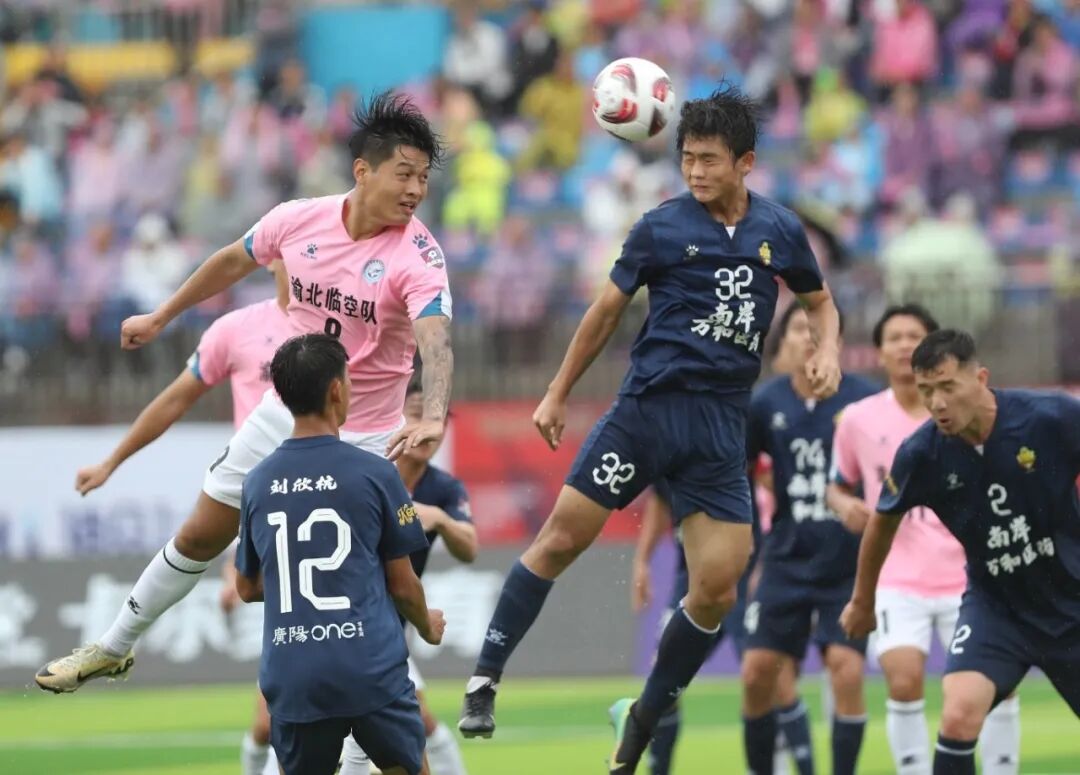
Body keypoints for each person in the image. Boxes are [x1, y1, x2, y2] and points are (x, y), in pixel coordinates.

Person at [457, 83, 842, 775]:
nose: (695, 171)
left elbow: (820, 301)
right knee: (560, 538)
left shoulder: (780, 231)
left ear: (746, 163)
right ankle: (484, 678)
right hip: (647, 411)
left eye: (709, 159)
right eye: (687, 157)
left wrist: (829, 348)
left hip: (721, 425)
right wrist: (556, 392)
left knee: (718, 587)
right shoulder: (661, 227)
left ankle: (644, 713)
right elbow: (604, 312)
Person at [35, 92, 454, 694]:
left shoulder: (419, 256)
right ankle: (113, 647)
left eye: (423, 178)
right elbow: (232, 261)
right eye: (404, 173)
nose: (416, 190)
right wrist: (161, 316)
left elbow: (435, 338)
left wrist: (434, 413)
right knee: (200, 535)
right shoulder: (298, 220)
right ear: (363, 170)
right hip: (284, 417)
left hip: (367, 436)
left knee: (371, 576)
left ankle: (378, 722)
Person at [71, 261, 290, 775]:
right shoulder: (236, 330)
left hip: (322, 501)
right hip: (261, 509)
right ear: (275, 256)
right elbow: (174, 399)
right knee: (277, 717)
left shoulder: (342, 319)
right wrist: (111, 461)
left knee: (309, 709)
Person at [841, 330, 1080, 775]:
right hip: (998, 610)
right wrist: (862, 601)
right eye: (926, 390)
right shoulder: (921, 454)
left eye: (947, 386)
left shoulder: (1051, 417)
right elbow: (882, 523)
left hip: (1071, 603)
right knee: (958, 715)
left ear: (980, 378)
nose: (937, 403)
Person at [234, 333, 444, 775]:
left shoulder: (257, 482)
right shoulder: (376, 473)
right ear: (335, 390)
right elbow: (403, 585)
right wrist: (427, 625)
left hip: (294, 671)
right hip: (369, 667)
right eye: (349, 380)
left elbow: (248, 587)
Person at [827, 306, 1021, 775]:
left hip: (969, 575)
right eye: (892, 337)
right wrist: (843, 505)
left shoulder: (967, 416)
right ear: (878, 351)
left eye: (913, 335)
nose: (902, 344)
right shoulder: (857, 419)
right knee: (903, 677)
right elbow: (837, 484)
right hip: (898, 576)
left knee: (995, 685)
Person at [741, 302, 878, 775]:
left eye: (820, 330)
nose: (811, 338)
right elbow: (738, 471)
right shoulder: (765, 403)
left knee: (846, 670)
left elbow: (886, 470)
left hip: (847, 563)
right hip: (786, 559)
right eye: (800, 329)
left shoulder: (863, 401)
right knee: (756, 672)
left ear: (837, 343)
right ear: (784, 342)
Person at [339, 382, 476, 775]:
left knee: (409, 727)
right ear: (394, 418)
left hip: (389, 629)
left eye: (437, 420)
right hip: (350, 624)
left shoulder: (443, 488)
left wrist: (442, 520)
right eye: (416, 414)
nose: (428, 430)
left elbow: (470, 549)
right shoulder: (369, 472)